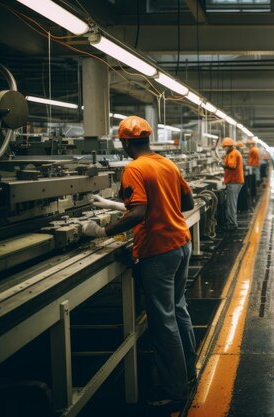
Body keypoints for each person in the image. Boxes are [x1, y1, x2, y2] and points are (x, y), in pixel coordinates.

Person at [80, 116, 196, 408]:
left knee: (163, 320)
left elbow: (138, 214)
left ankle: (174, 389)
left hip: (157, 250)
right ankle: (188, 373)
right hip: (181, 243)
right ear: (147, 138)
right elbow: (187, 204)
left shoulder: (134, 168)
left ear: (125, 142)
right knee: (178, 308)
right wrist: (118, 205)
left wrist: (102, 231)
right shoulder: (167, 163)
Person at [221, 137, 244, 229]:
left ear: (229, 146)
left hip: (234, 181)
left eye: (224, 147)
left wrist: (221, 164)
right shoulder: (233, 153)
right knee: (231, 203)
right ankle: (231, 221)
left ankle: (232, 223)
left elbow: (232, 166)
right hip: (234, 181)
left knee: (231, 204)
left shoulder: (233, 154)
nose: (224, 149)